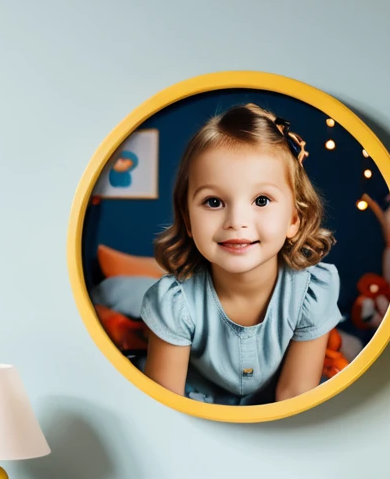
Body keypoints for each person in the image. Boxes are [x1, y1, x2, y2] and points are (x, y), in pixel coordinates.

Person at [140, 103, 342, 405]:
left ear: (293, 219)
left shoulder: (312, 293)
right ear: (188, 220)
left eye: (261, 200)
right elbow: (165, 407)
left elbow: (295, 395)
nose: (237, 221)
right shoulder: (175, 303)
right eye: (213, 202)